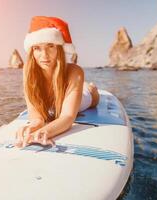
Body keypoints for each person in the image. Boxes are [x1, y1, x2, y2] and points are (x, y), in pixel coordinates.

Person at [15, 16, 99, 148]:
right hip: (55, 103)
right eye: (37, 48)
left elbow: (67, 117)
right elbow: (35, 113)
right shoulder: (28, 70)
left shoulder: (75, 71)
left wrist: (44, 132)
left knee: (92, 95)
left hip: (82, 100)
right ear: (32, 51)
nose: (44, 55)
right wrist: (35, 125)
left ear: (59, 48)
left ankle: (89, 87)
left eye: (50, 46)